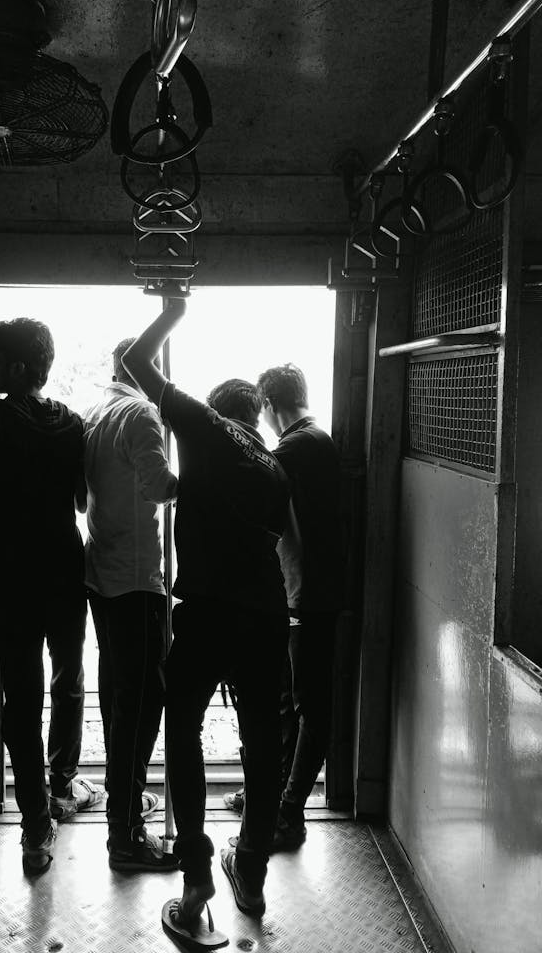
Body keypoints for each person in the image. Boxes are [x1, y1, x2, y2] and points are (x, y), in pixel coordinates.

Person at [122, 299, 291, 947]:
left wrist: (171, 312)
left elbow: (134, 361)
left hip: (210, 613)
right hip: (267, 614)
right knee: (263, 742)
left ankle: (196, 878)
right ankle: (250, 872)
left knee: (184, 729)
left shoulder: (202, 423)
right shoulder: (274, 469)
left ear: (219, 408)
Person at [0, 317, 103, 875]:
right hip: (66, 572)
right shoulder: (72, 424)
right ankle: (62, 781)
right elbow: (81, 502)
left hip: (15, 580)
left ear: (17, 367)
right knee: (68, 682)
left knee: (21, 699)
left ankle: (34, 827)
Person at [224, 362, 342, 852]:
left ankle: (288, 812)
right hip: (313, 589)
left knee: (307, 704)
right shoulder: (319, 440)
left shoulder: (294, 447)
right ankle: (270, 799)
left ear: (269, 406)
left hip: (305, 593)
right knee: (290, 702)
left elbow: (256, 496)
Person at [82, 338, 179, 872]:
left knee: (120, 699)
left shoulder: (96, 412)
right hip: (138, 580)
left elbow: (81, 498)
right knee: (143, 705)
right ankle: (125, 837)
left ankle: (123, 805)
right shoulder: (141, 414)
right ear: (148, 365)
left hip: (102, 573)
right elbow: (161, 485)